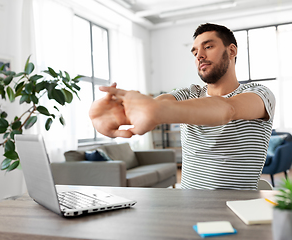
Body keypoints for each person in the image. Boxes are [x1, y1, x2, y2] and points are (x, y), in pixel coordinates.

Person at [89, 23, 275, 190]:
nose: (200, 56)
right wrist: (123, 114)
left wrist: (156, 111)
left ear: (232, 51)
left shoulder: (259, 93)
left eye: (208, 47)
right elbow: (158, 104)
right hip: (188, 204)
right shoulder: (188, 93)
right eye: (195, 53)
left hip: (239, 206)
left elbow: (228, 109)